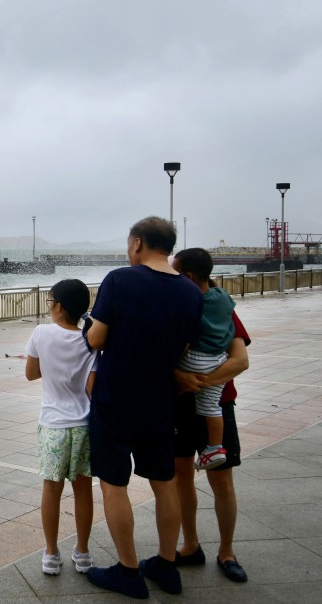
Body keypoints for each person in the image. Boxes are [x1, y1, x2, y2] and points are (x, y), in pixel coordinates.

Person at [84, 216, 203, 599]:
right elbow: (183, 347)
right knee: (163, 481)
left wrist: (92, 328)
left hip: (115, 397)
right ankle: (167, 566)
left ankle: (129, 571)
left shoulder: (120, 279)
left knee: (114, 484)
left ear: (137, 243)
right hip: (161, 399)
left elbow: (96, 337)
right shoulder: (190, 292)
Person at [24, 279, 98, 576]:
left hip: (53, 424)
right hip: (83, 425)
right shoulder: (90, 340)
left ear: (59, 306)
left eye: (50, 300)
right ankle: (82, 552)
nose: (49, 305)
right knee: (83, 491)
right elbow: (92, 389)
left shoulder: (41, 333)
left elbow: (31, 374)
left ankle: (51, 554)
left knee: (51, 491)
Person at [174, 302, 251, 583]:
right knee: (180, 476)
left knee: (222, 480)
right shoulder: (175, 308)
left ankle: (227, 552)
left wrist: (196, 381)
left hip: (219, 404)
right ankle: (190, 545)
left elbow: (240, 360)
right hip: (179, 406)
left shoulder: (221, 310)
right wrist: (177, 375)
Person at [171, 248, 236, 470]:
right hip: (218, 359)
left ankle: (214, 449)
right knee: (212, 407)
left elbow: (182, 343)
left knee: (176, 384)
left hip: (196, 361)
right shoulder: (223, 297)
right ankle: (215, 446)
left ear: (187, 277)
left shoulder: (189, 304)